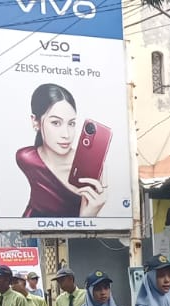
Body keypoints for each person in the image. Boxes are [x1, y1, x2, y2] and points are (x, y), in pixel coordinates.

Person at [15, 83, 107, 218]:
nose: (66, 134)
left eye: (71, 123)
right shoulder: (26, 157)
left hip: (73, 237)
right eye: (56, 123)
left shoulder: (89, 169)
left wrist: (88, 219)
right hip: (31, 231)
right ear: (35, 122)